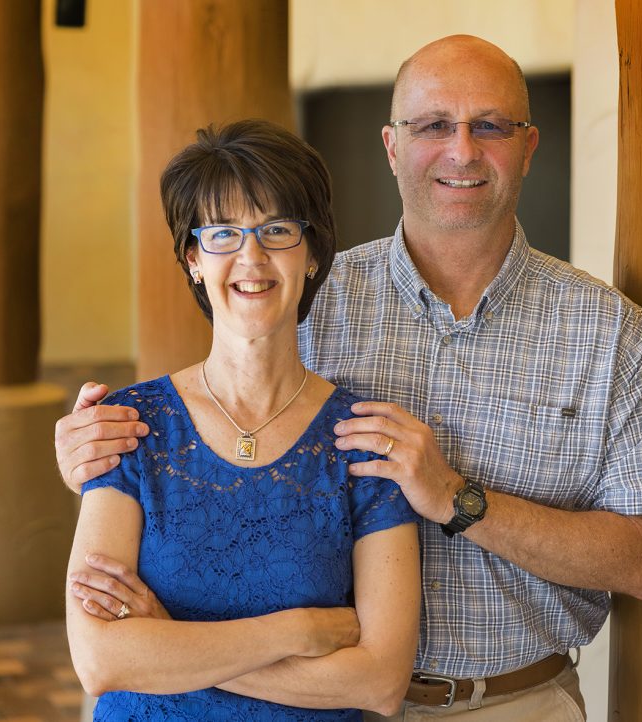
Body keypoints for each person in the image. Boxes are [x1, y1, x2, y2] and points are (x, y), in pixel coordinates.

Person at [57, 36, 642, 721]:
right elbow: (206, 436)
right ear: (392, 147)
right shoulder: (301, 299)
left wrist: (458, 498)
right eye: (433, 127)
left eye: (490, 126)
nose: (462, 151)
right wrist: (93, 458)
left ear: (530, 145)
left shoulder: (608, 331)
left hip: (516, 700)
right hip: (326, 700)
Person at [65, 119, 421, 721]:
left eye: (277, 230)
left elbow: (379, 682)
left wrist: (168, 641)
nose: (251, 257)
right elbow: (102, 659)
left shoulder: (364, 440)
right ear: (193, 259)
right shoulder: (130, 426)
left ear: (312, 255)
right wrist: (298, 631)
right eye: (223, 234)